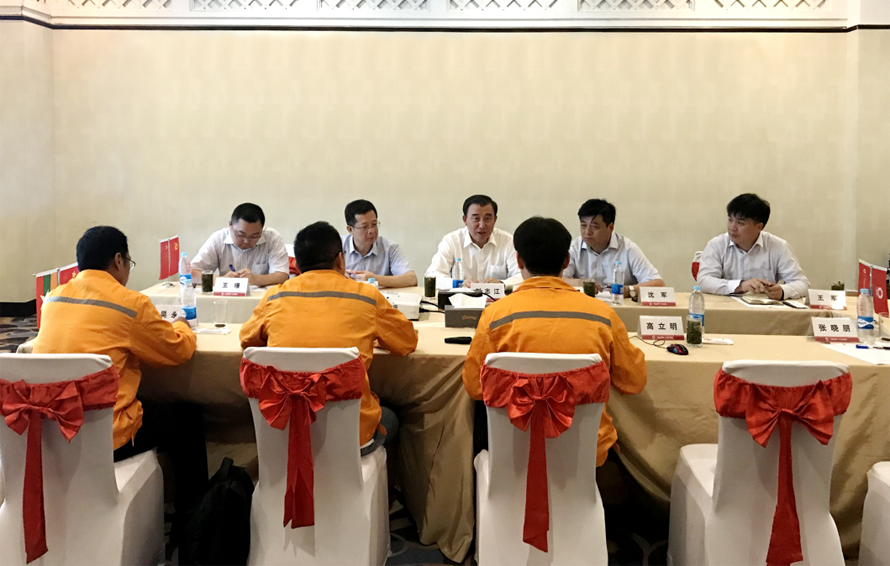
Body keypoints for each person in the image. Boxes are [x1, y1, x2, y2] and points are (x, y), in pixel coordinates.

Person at [33, 226, 206, 528]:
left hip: (50, 430)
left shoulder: (53, 299)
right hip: (105, 436)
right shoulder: (130, 303)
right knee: (187, 418)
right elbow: (177, 352)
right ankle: (192, 519)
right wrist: (181, 325)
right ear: (117, 260)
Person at [462, 216, 647, 467]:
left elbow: (475, 387)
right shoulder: (602, 315)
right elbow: (634, 381)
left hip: (515, 453)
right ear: (566, 261)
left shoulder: (496, 316)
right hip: (584, 455)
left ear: (519, 261)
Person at [240, 221, 418, 453]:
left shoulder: (275, 297)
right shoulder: (366, 296)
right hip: (351, 438)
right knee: (391, 416)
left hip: (287, 432)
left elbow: (247, 340)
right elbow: (407, 341)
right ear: (340, 260)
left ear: (297, 265)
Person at [697, 193, 810, 300]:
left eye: (740, 223)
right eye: (730, 220)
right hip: (725, 308)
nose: (732, 227)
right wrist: (740, 286)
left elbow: (802, 284)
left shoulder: (778, 246)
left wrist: (783, 291)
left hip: (765, 309)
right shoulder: (717, 245)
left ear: (759, 227)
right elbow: (704, 281)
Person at [563, 199, 665, 299]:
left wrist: (629, 290)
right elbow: (557, 280)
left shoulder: (628, 248)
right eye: (583, 225)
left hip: (619, 306)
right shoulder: (573, 248)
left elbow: (659, 284)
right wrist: (579, 282)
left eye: (594, 226)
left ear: (610, 227)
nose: (587, 232)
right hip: (585, 307)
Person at [425, 195, 522, 288]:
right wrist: (459, 284)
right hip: (459, 298)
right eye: (476, 218)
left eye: (487, 219)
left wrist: (502, 283)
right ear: (465, 220)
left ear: (495, 219)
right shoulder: (452, 241)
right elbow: (432, 276)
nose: (482, 225)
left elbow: (523, 276)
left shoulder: (508, 241)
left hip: (498, 299)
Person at [191, 203, 289, 288]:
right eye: (240, 234)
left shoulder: (272, 238)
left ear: (262, 229)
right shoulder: (218, 239)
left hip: (263, 299)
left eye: (254, 236)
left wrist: (255, 279)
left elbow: (282, 275)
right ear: (230, 225)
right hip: (227, 297)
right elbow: (191, 273)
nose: (246, 241)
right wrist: (221, 280)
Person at [342, 199, 417, 288]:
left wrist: (375, 279)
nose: (371, 231)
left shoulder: (389, 248)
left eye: (374, 224)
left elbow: (411, 279)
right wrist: (336, 276)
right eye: (364, 227)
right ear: (350, 229)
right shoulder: (337, 246)